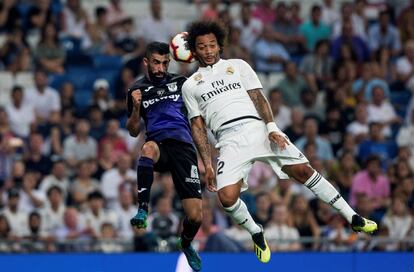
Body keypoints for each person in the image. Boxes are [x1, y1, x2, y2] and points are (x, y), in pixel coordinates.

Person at [182, 20, 377, 263]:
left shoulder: (238, 66)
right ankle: (256, 232)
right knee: (226, 198)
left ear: (220, 45)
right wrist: (208, 164)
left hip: (258, 128)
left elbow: (259, 98)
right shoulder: (190, 85)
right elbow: (197, 126)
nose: (208, 50)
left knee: (304, 171)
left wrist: (271, 127)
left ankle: (353, 218)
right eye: (202, 46)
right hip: (228, 139)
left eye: (212, 45)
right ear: (194, 50)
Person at [126, 42, 202, 271]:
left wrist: (206, 161)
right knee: (146, 149)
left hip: (183, 148)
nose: (160, 68)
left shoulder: (181, 83)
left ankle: (186, 243)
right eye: (156, 63)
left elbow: (197, 119)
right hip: (158, 144)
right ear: (146, 62)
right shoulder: (136, 90)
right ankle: (143, 208)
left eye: (165, 63)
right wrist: (137, 108)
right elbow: (132, 130)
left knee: (196, 217)